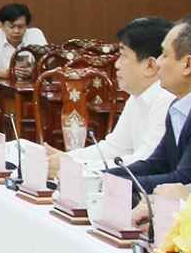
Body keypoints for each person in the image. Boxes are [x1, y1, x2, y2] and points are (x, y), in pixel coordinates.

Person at [48, 16, 174, 178]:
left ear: (150, 65)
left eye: (123, 56)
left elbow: (145, 162)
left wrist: (73, 166)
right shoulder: (137, 95)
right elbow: (114, 148)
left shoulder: (167, 99)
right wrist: (67, 158)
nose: (116, 64)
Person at [128, 16, 191, 204]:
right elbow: (158, 163)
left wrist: (119, 186)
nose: (157, 62)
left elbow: (186, 177)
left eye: (164, 55)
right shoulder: (178, 104)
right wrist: (104, 177)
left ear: (188, 64)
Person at [0, 2, 49, 80]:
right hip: (1, 87)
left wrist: (33, 71)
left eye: (20, 27)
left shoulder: (35, 34)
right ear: (1, 26)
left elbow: (47, 62)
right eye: (11, 27)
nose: (16, 31)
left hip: (30, 86)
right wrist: (9, 73)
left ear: (27, 25)